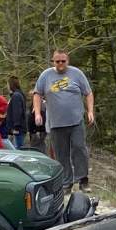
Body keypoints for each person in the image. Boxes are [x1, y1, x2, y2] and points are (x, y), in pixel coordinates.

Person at [33, 49, 94, 192]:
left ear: (68, 61)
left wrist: (90, 111)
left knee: (79, 148)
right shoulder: (46, 75)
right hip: (56, 122)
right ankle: (67, 183)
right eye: (57, 61)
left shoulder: (76, 73)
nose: (60, 64)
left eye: (63, 61)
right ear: (53, 61)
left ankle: (83, 180)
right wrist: (37, 113)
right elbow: (37, 94)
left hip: (76, 120)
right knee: (61, 153)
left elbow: (88, 93)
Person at [5, 75, 27, 149]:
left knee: (18, 149)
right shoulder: (18, 95)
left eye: (8, 84)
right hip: (19, 128)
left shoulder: (16, 96)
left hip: (18, 129)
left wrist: (16, 127)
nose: (7, 87)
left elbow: (17, 112)